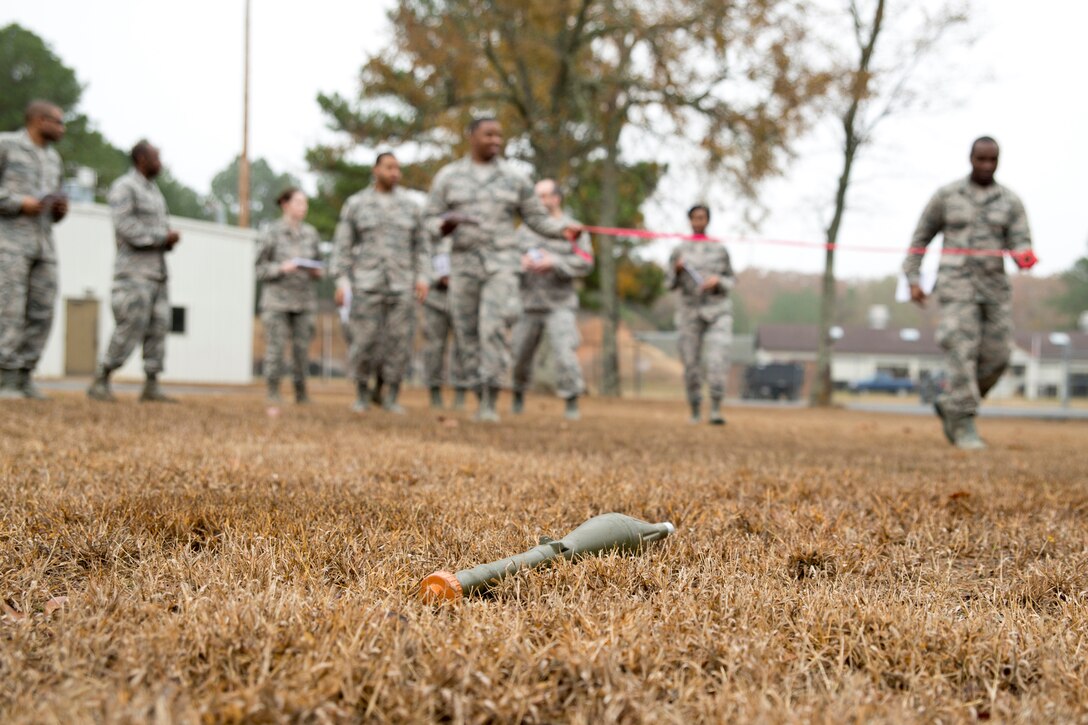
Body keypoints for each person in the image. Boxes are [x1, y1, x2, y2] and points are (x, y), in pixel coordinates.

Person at [424, 118, 581, 422]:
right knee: (467, 332)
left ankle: (491, 399)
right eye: (488, 134)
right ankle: (477, 391)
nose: (495, 140)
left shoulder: (515, 178)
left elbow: (537, 218)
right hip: (464, 265)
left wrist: (563, 231)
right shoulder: (449, 177)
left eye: (499, 135)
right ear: (471, 136)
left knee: (493, 328)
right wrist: (445, 224)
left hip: (502, 264)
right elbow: (428, 220)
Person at [904, 136, 1035, 450]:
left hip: (994, 289)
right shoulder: (947, 196)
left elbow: (1021, 240)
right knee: (961, 350)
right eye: (981, 159)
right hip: (956, 286)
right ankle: (963, 423)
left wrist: (1023, 255)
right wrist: (912, 278)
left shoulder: (1010, 201)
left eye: (993, 160)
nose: (986, 166)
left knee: (1000, 356)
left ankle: (952, 403)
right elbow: (920, 239)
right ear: (971, 158)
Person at [333, 152, 429, 414]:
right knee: (364, 341)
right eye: (389, 167)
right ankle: (362, 394)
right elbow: (342, 247)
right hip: (367, 284)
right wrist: (342, 281)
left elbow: (422, 247)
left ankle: (390, 395)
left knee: (399, 342)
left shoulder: (411, 206)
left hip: (402, 284)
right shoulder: (356, 204)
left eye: (398, 168)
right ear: (375, 170)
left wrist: (422, 277)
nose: (394, 172)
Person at [87, 140, 181, 402]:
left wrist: (167, 239)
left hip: (158, 274)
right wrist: (161, 238)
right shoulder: (124, 187)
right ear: (141, 158)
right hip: (134, 275)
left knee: (158, 328)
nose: (160, 163)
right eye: (156, 157)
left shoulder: (154, 191)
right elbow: (125, 226)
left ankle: (151, 384)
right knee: (130, 326)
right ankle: (101, 379)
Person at [0, 101, 68, 400]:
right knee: (9, 309)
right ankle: (5, 377)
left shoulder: (54, 159)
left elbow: (53, 205)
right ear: (40, 120)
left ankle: (25, 374)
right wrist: (18, 202)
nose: (62, 129)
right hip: (10, 243)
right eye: (58, 122)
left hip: (44, 244)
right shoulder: (7, 145)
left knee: (42, 309)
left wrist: (60, 210)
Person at [511, 179, 594, 421]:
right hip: (528, 303)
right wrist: (521, 264)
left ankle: (571, 402)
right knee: (519, 355)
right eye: (536, 196)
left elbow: (586, 262)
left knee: (565, 353)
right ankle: (517, 395)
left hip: (560, 304)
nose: (540, 201)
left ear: (557, 198)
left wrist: (555, 262)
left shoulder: (573, 230)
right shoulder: (524, 230)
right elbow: (509, 259)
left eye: (545, 195)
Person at [667, 204, 735, 425]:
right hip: (690, 312)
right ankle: (695, 408)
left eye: (702, 217)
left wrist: (719, 282)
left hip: (717, 311)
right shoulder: (680, 250)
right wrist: (676, 272)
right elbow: (668, 283)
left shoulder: (719, 249)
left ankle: (715, 408)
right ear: (689, 220)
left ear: (708, 220)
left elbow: (731, 280)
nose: (698, 221)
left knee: (717, 360)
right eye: (695, 217)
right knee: (690, 364)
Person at [255, 187, 322, 406]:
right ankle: (273, 392)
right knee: (275, 348)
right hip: (277, 302)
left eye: (305, 203)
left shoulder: (311, 234)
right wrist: (281, 268)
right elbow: (258, 269)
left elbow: (321, 267)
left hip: (303, 301)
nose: (303, 207)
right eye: (298, 202)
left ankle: (301, 394)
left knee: (302, 351)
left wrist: (316, 271)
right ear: (285, 204)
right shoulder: (271, 232)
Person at [422, 245, 468, 410]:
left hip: (463, 298)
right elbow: (420, 258)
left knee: (463, 347)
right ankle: (434, 392)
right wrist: (437, 277)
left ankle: (460, 393)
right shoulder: (429, 227)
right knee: (434, 346)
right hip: (434, 299)